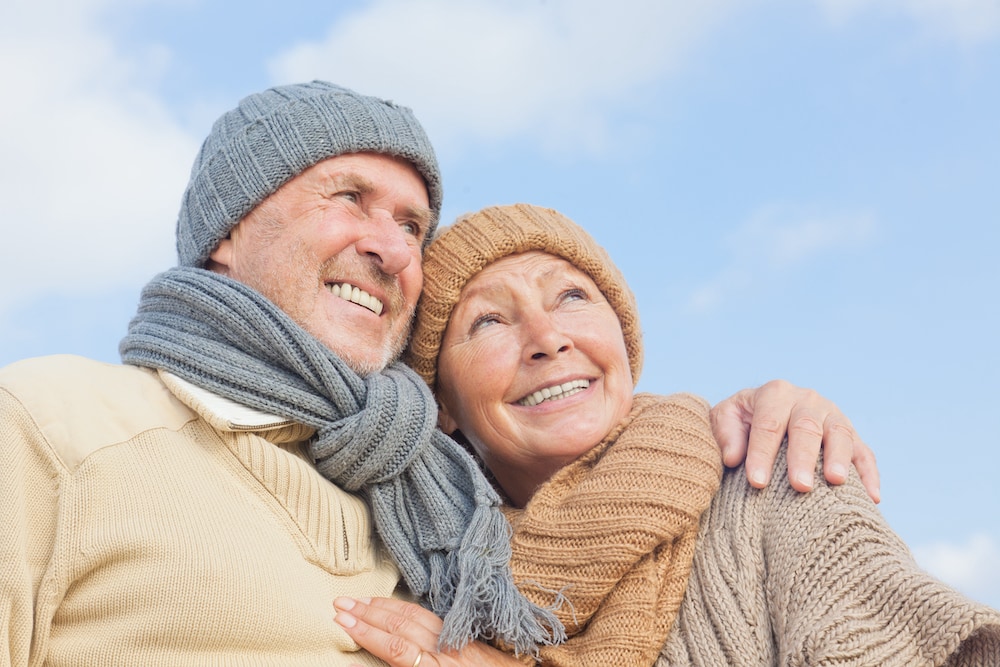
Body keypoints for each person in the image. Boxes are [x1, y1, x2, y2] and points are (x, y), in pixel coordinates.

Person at [1, 81, 873, 666]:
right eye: (347, 196)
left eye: (413, 223)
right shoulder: (57, 428)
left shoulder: (425, 517)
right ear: (227, 232)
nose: (388, 244)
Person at [332, 204, 1000, 666]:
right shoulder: (418, 576)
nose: (548, 338)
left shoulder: (780, 480)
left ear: (621, 338)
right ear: (439, 399)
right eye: (488, 322)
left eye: (570, 296)